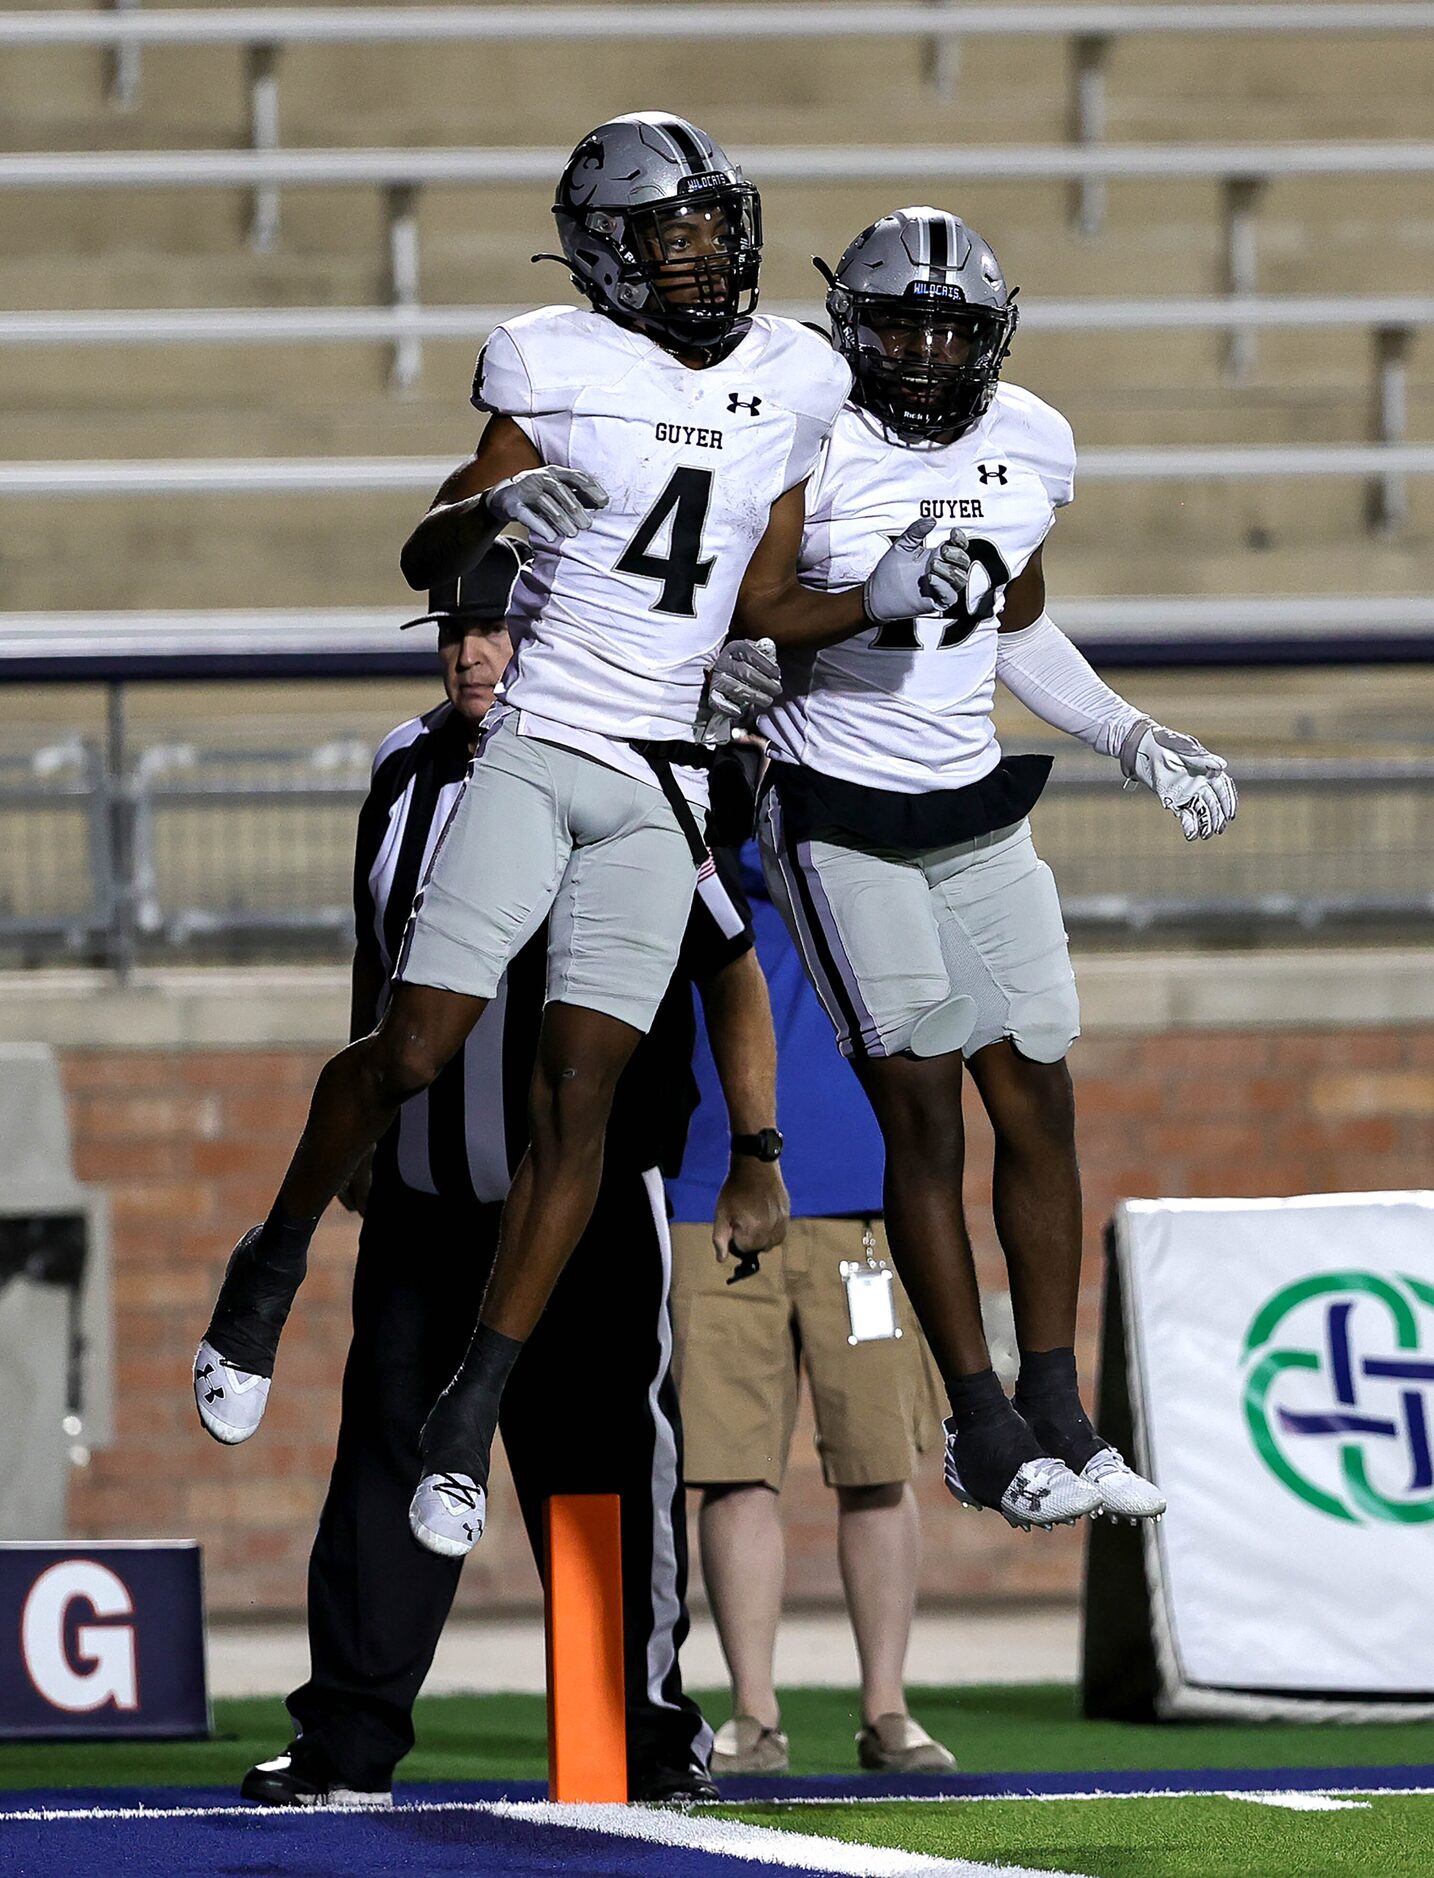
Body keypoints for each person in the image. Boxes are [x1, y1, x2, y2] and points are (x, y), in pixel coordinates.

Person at [192, 115, 972, 1564]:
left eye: (714, 228)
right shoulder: (550, 363)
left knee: (581, 1101)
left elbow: (767, 585)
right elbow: (432, 554)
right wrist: (490, 508)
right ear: (610, 252)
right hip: (545, 745)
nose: (703, 257)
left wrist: (828, 629)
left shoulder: (794, 375)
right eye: (670, 234)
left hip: (664, 777)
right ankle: (272, 1255)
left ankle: (468, 1405)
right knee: (417, 1045)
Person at [239, 542, 788, 1808]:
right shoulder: (402, 766)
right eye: (458, 632)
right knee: (385, 1450)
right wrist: (370, 1126)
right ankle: (348, 1746)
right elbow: (379, 962)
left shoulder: (630, 760)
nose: (472, 653)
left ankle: (630, 1740)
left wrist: (756, 1152)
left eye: (501, 631)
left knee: (595, 1452)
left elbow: (731, 966)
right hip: (430, 1200)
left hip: (586, 1204)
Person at [758, 208, 1239, 1532]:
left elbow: (1017, 625)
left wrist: (1130, 732)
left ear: (991, 337)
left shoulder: (1028, 436)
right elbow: (748, 619)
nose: (921, 351)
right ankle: (976, 1421)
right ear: (849, 329)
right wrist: (868, 602)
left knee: (1036, 1084)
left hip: (971, 795)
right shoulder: (801, 428)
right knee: (919, 1102)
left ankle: (1060, 1406)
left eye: (948, 328)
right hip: (837, 797)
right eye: (900, 324)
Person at [669, 833, 955, 1777]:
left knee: (878, 1462)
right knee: (732, 1463)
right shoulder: (688, 808)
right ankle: (754, 1714)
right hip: (710, 1192)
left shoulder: (848, 812)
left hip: (864, 1198)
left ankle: (888, 1710)